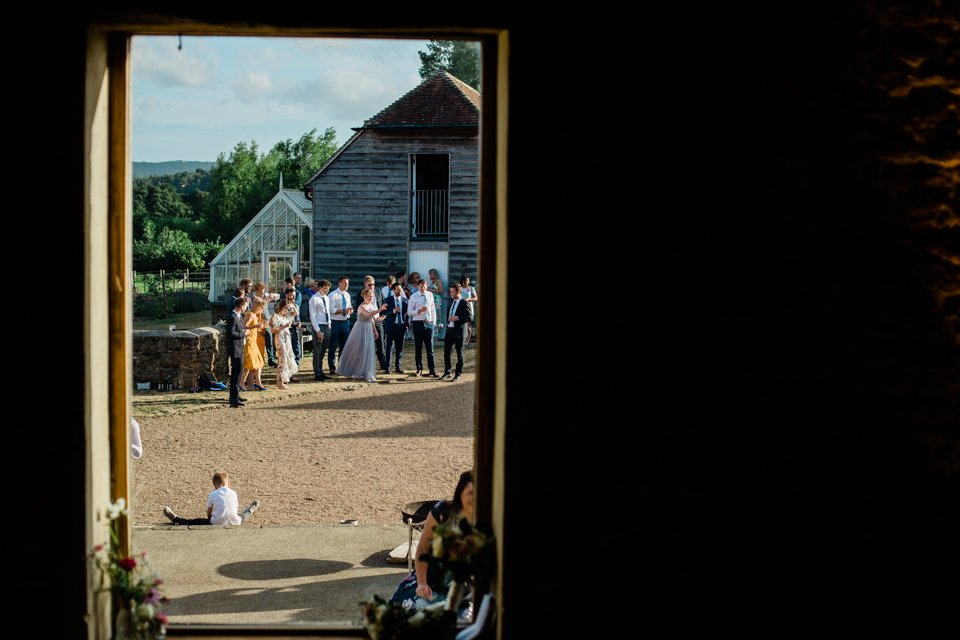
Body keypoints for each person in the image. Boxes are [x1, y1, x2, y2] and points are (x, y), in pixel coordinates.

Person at [390, 471, 475, 609]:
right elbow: (423, 549)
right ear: (460, 493)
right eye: (471, 493)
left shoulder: (490, 518)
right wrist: (422, 583)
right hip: (430, 581)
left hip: (466, 591)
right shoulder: (443, 512)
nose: (475, 497)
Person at [162, 470, 260, 526]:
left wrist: (210, 518)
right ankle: (251, 509)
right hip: (234, 522)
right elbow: (234, 508)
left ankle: (176, 519)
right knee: (242, 516)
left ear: (215, 486)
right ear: (228, 484)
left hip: (216, 522)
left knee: (195, 521)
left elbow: (209, 511)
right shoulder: (233, 493)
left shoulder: (213, 494)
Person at [335, 288, 386, 382]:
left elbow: (371, 319)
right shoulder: (361, 307)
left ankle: (366, 372)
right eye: (369, 296)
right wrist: (380, 309)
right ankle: (355, 370)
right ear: (364, 296)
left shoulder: (370, 305)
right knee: (358, 350)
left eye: (372, 296)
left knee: (369, 350)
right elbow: (369, 314)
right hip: (360, 329)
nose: (371, 298)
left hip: (368, 329)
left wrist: (375, 330)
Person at [441, 283, 474, 382]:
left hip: (459, 332)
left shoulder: (464, 303)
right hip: (450, 330)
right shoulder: (452, 302)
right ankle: (447, 372)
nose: (450, 293)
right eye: (450, 291)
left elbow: (470, 317)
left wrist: (458, 318)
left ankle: (458, 374)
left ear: (458, 292)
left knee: (460, 354)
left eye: (452, 292)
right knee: (447, 352)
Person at [408, 279, 437, 377]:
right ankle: (419, 369)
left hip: (429, 323)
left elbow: (433, 309)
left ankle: (432, 370)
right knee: (418, 347)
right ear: (418, 286)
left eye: (424, 287)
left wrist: (434, 322)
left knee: (430, 348)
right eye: (421, 287)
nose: (423, 289)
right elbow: (409, 312)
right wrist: (418, 311)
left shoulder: (430, 295)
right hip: (418, 323)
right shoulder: (413, 297)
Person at [361, 275, 388, 371]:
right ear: (365, 284)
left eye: (373, 284)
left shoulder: (378, 292)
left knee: (381, 343)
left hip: (377, 321)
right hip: (366, 322)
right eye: (370, 284)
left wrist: (383, 315)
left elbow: (384, 306)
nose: (372, 286)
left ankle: (383, 364)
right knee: (366, 344)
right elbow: (358, 308)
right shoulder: (361, 294)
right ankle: (366, 365)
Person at [226, 297, 250, 408]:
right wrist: (243, 334)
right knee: (236, 374)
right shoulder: (232, 317)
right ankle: (233, 398)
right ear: (241, 306)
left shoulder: (238, 316)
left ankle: (237, 395)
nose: (246, 308)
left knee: (239, 373)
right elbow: (231, 333)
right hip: (235, 349)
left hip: (240, 348)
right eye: (245, 306)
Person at [381, 282, 409, 374]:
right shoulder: (387, 300)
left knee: (400, 347)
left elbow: (407, 314)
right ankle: (387, 367)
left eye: (400, 289)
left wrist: (407, 325)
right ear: (393, 290)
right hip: (391, 326)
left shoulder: (405, 301)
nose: (399, 291)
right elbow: (383, 313)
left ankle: (398, 367)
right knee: (389, 347)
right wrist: (393, 311)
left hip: (401, 326)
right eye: (397, 289)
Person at [240, 297, 267, 391]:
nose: (262, 310)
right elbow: (244, 326)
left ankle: (258, 383)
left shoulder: (255, 316)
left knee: (259, 362)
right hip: (249, 341)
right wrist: (256, 326)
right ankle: (241, 383)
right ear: (256, 307)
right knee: (249, 363)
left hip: (254, 341)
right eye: (261, 308)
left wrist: (261, 326)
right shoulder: (250, 314)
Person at [270, 299, 298, 389]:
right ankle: (279, 381)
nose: (286, 310)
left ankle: (283, 380)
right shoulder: (275, 316)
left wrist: (292, 306)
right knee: (282, 360)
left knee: (287, 359)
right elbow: (273, 329)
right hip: (280, 339)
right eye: (285, 308)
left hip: (287, 340)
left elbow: (296, 313)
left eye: (287, 309)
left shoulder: (285, 317)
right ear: (281, 307)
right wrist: (284, 327)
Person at [328, 277, 353, 375]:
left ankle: (342, 366)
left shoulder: (347, 295)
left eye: (347, 283)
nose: (346, 285)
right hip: (335, 322)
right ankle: (332, 366)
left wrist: (350, 310)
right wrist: (343, 311)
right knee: (333, 345)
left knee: (344, 346)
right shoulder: (333, 295)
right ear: (339, 283)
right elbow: (331, 310)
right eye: (344, 283)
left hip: (345, 322)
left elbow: (348, 307)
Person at [309, 279, 332, 380]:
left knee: (323, 351)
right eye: (324, 287)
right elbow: (313, 316)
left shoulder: (326, 298)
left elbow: (327, 312)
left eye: (328, 288)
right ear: (319, 288)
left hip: (327, 326)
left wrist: (329, 324)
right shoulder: (314, 299)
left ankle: (321, 371)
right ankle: (317, 373)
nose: (326, 289)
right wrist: (318, 331)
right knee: (317, 351)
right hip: (319, 326)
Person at [284, 277, 303, 365]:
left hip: (294, 324)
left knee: (296, 345)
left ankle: (296, 362)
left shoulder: (297, 295)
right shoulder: (283, 297)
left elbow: (296, 312)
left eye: (288, 284)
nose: (287, 286)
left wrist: (298, 321)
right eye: (286, 284)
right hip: (285, 325)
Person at [460, 276, 478, 346]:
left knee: (468, 324)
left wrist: (469, 299)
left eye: (467, 281)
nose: (466, 282)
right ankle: (461, 340)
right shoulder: (460, 288)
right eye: (465, 281)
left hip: (468, 307)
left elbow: (476, 298)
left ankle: (467, 341)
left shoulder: (470, 288)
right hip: (461, 307)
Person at [427, 269, 445, 340]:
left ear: (435, 274)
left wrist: (430, 290)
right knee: (432, 317)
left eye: (431, 274)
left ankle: (436, 335)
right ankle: (432, 333)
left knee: (437, 317)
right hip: (431, 302)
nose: (430, 275)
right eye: (429, 274)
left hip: (437, 302)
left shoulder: (438, 281)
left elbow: (441, 291)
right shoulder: (431, 282)